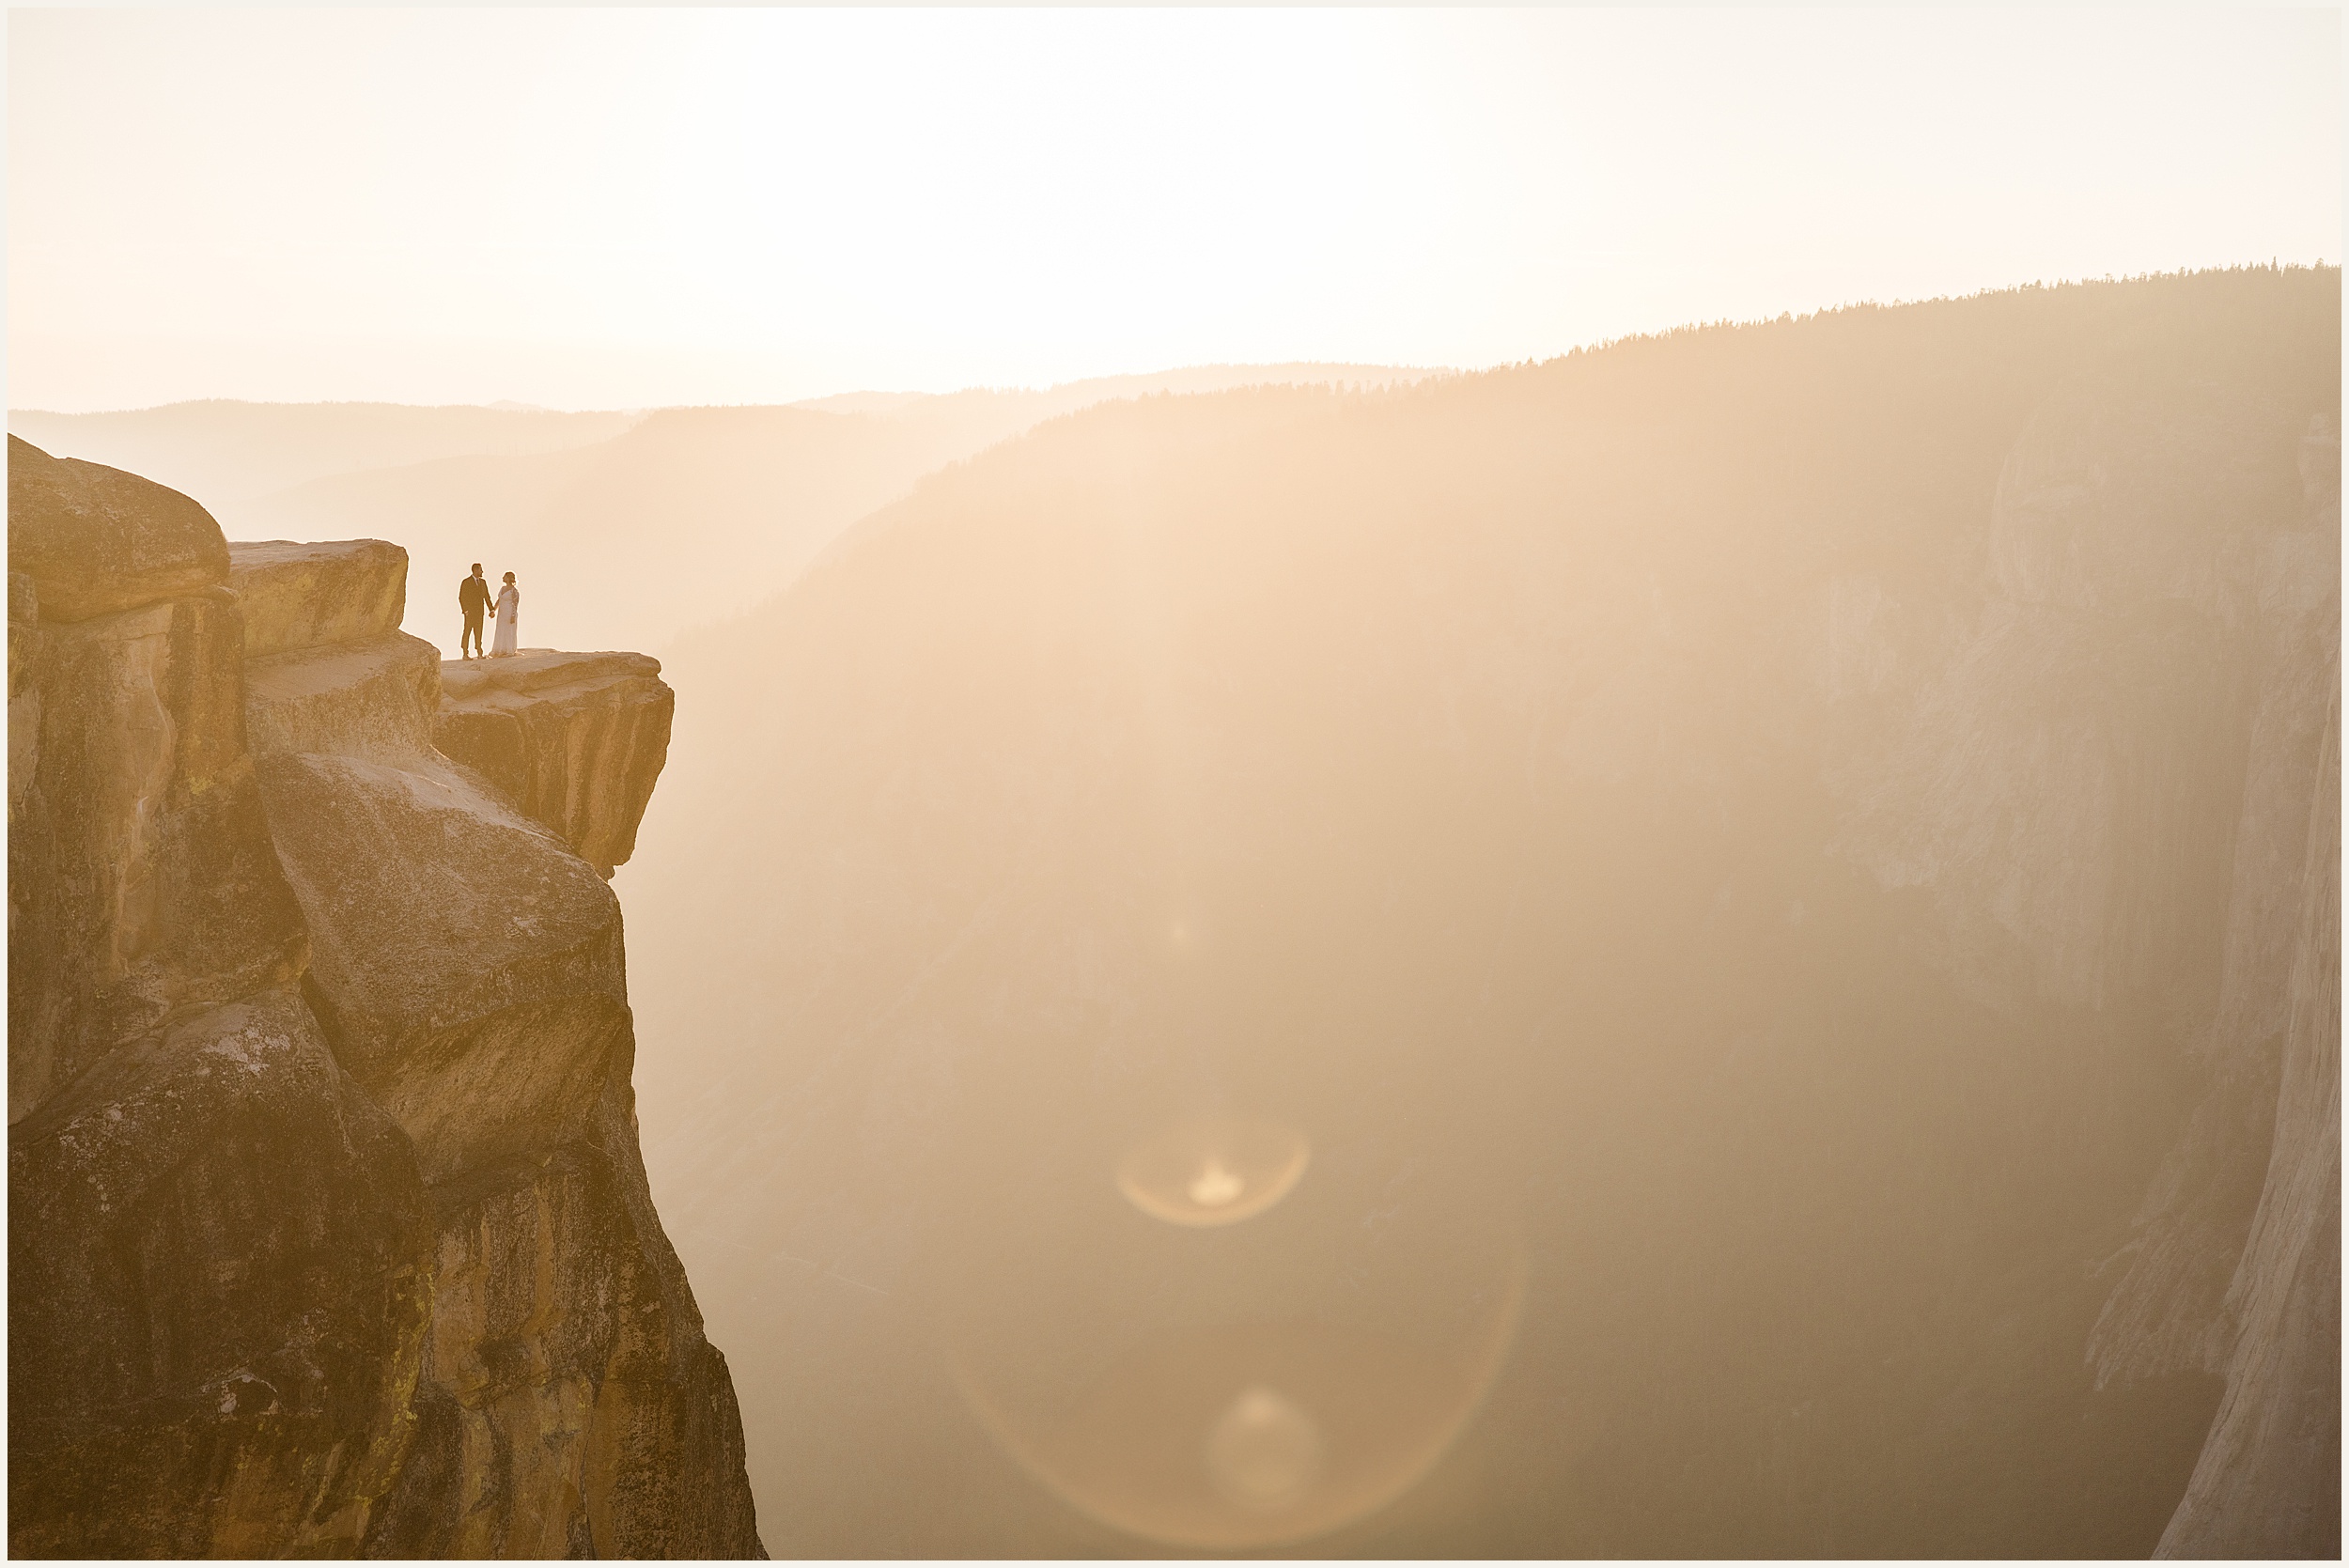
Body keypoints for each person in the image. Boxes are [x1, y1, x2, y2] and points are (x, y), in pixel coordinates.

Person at [458, 563, 494, 659]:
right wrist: (465, 610)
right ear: (475, 570)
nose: (482, 571)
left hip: (480, 612)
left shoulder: (483, 582)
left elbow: (487, 597)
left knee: (479, 632)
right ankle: (465, 653)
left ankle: (479, 652)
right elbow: (462, 597)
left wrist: (491, 609)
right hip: (469, 612)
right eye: (480, 570)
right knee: (467, 631)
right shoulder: (466, 582)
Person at [491, 571, 521, 657]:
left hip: (509, 612)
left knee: (509, 630)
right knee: (500, 629)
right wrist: (493, 610)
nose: (502, 578)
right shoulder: (502, 588)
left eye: (504, 576)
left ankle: (509, 650)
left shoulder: (514, 591)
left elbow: (515, 604)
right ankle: (500, 649)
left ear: (508, 578)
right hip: (501, 613)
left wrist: (513, 615)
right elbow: (499, 600)